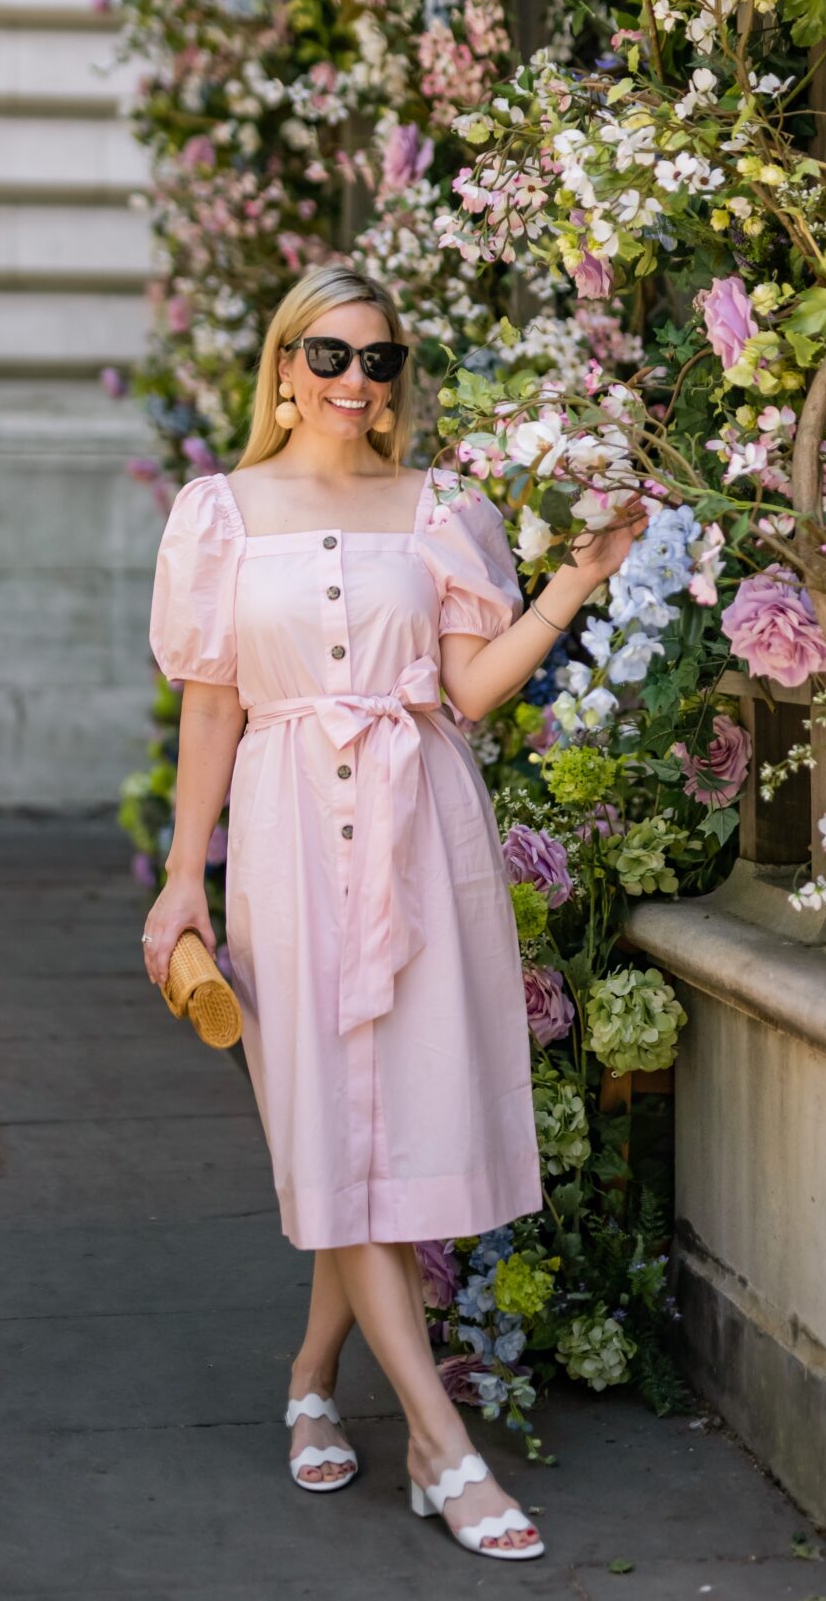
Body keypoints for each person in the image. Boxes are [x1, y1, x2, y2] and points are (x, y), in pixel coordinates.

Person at [143, 261, 645, 1560]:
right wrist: (180, 874)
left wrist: (574, 581)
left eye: (378, 361)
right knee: (332, 1137)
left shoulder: (441, 507)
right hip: (288, 851)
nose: (355, 383)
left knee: (380, 1148)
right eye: (329, 356)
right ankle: (444, 1445)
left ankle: (316, 1384)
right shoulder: (220, 513)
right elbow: (210, 700)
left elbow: (468, 691)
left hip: (424, 847)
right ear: (282, 364)